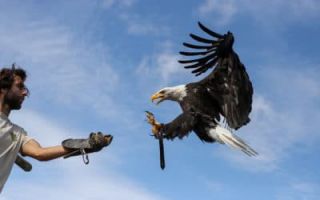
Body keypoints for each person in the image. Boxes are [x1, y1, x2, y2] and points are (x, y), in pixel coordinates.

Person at [0, 65, 112, 193]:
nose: (25, 92)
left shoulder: (17, 133)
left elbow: (39, 153)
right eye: (20, 86)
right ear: (3, 87)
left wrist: (86, 144)